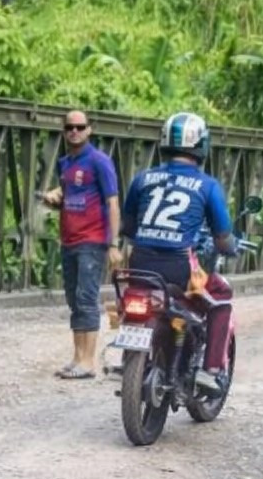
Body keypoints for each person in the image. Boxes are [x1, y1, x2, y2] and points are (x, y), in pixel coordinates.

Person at [119, 112, 236, 391]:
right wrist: (232, 247)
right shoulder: (207, 185)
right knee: (221, 296)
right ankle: (210, 370)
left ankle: (129, 357)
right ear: (201, 146)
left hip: (140, 264)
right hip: (179, 268)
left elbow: (126, 225)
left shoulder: (142, 178)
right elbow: (222, 239)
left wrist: (151, 238)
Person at [41, 110, 121, 379]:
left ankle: (88, 362)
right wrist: (54, 197)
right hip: (69, 239)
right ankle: (77, 357)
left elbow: (112, 202)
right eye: (69, 127)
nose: (74, 131)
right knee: (74, 298)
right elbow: (71, 194)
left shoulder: (99, 161)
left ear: (90, 130)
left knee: (87, 297)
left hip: (92, 239)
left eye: (80, 126)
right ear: (64, 131)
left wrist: (113, 243)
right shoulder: (65, 162)